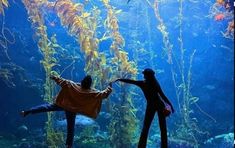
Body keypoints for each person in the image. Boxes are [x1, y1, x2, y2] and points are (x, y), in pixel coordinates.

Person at [20, 75, 112, 148]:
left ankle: (28, 111)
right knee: (70, 127)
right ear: (90, 85)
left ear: (82, 81)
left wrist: (54, 77)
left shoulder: (71, 84)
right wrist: (109, 87)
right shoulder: (93, 92)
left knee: (46, 107)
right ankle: (69, 145)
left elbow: (61, 81)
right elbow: (104, 94)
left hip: (63, 104)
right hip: (72, 110)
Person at [114, 68, 174, 148]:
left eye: (144, 74)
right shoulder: (154, 83)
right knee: (162, 128)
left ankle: (141, 146)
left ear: (147, 76)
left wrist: (119, 79)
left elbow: (131, 81)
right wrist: (170, 105)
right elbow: (162, 95)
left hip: (151, 106)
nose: (143, 75)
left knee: (146, 127)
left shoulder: (143, 83)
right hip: (159, 105)